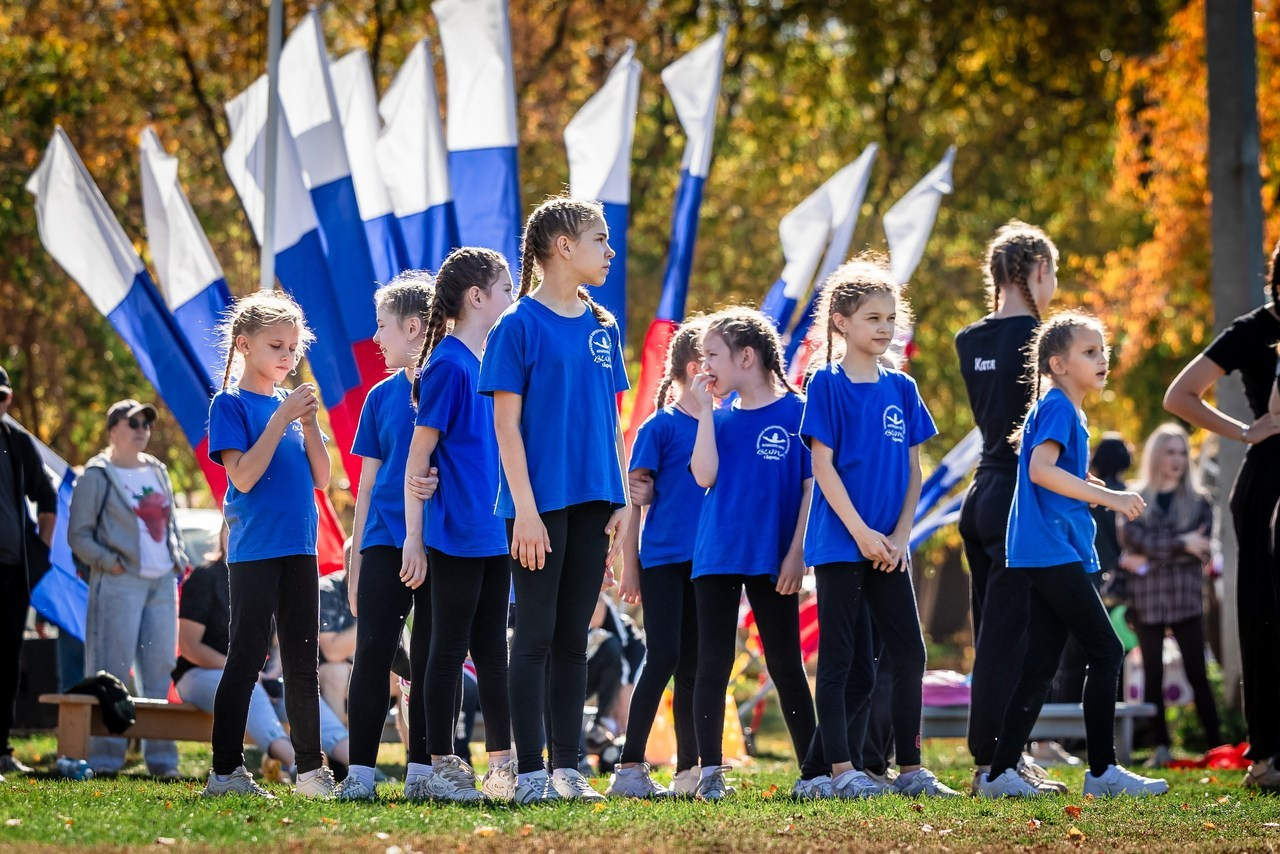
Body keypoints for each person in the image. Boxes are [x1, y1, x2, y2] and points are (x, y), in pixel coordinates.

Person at [977, 311, 1168, 798]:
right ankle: (1103, 772)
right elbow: (1041, 471)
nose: (1102, 359)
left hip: (1050, 549)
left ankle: (1000, 775)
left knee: (1041, 664)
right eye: (1089, 352)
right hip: (1050, 550)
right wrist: (1112, 498)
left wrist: (1087, 486)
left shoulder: (1065, 409)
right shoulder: (1059, 407)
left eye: (1102, 350)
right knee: (1107, 650)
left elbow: (1052, 475)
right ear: (1058, 364)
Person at [478, 197, 630, 804]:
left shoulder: (604, 325)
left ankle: (568, 770)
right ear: (563, 246)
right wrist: (528, 512)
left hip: (597, 501)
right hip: (537, 508)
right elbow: (506, 429)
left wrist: (621, 501)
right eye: (599, 239)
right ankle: (532, 773)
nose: (609, 251)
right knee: (535, 636)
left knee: (575, 639)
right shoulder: (516, 325)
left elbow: (610, 421)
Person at [795, 257, 959, 800]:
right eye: (872, 318)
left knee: (909, 653)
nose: (885, 328)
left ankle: (910, 769)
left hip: (891, 547)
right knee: (841, 661)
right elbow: (823, 467)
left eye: (890, 317)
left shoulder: (903, 388)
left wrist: (900, 535)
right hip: (842, 545)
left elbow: (914, 471)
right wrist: (862, 533)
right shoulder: (826, 384)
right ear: (841, 322)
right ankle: (840, 773)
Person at [202, 290, 334, 799]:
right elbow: (245, 476)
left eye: (293, 348)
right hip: (256, 551)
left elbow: (322, 480)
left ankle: (310, 773)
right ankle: (225, 772)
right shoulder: (230, 404)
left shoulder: (290, 405)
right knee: (247, 656)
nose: (287, 356)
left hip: (300, 549)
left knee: (304, 661)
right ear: (244, 345)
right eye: (276, 345)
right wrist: (281, 422)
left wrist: (309, 422)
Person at [686, 307, 817, 802]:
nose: (705, 367)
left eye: (712, 355)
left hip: (774, 558)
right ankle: (710, 775)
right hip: (717, 555)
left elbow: (810, 489)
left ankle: (814, 770)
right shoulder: (717, 417)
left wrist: (796, 553)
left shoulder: (799, 411)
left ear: (747, 355)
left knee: (785, 661)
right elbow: (703, 476)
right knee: (711, 664)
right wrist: (703, 414)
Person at [954, 221, 1066, 795]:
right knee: (1010, 636)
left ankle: (1005, 758)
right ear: (1038, 272)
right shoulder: (1043, 343)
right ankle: (994, 766)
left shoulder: (968, 339)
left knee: (992, 632)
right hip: (1019, 497)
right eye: (1053, 275)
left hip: (979, 496)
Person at [1164, 241, 1280, 790]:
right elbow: (1180, 395)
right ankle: (1268, 755)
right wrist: (1244, 431)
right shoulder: (1253, 330)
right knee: (1264, 613)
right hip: (1269, 484)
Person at [404, 247, 516, 802]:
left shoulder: (490, 361)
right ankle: (437, 765)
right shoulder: (448, 364)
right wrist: (414, 537)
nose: (511, 300)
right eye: (505, 290)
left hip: (497, 532)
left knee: (494, 648)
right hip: (456, 536)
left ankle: (502, 765)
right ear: (478, 298)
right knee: (447, 649)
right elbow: (418, 456)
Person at [333, 274, 440, 802]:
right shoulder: (379, 397)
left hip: (442, 544)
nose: (376, 339)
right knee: (373, 653)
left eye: (382, 327)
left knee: (427, 659)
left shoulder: (461, 382)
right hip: (380, 544)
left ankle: (422, 771)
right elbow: (368, 485)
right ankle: (360, 775)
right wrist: (354, 562)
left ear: (415, 327)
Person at [609, 320, 707, 799]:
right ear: (696, 367)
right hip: (664, 561)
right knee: (663, 655)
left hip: (710, 566)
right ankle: (629, 766)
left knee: (695, 662)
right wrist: (631, 565)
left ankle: (690, 772)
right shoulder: (660, 426)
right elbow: (633, 497)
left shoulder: (720, 425)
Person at [67, 397, 187, 778]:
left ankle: (162, 763)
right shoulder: (96, 475)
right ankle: (105, 761)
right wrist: (108, 562)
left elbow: (170, 525)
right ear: (113, 429)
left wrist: (178, 557)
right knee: (111, 670)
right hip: (118, 583)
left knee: (159, 671)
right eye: (133, 423)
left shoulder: (157, 469)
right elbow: (78, 535)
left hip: (161, 584)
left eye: (146, 424)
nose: (142, 430)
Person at [174, 531, 353, 783]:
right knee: (251, 689)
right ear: (225, 534)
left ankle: (362, 770)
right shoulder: (205, 578)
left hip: (257, 675)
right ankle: (296, 766)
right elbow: (189, 646)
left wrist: (274, 671)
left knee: (292, 692)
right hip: (197, 674)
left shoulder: (263, 578)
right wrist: (251, 674)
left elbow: (276, 642)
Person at [1120, 424, 1222, 765]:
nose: (1177, 459)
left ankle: (1216, 746)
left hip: (1186, 599)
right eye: (1170, 452)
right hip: (1147, 602)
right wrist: (1182, 544)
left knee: (1198, 672)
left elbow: (1203, 550)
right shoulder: (1136, 497)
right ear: (1156, 456)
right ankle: (1160, 747)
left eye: (1182, 452)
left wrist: (1147, 558)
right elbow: (1134, 541)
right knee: (1152, 674)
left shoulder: (1199, 502)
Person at [0, 364, 56, 779]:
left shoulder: (16, 441)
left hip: (12, 570)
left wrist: (39, 551)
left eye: (1, 396)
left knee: (7, 661)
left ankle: (1, 749)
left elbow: (46, 497)